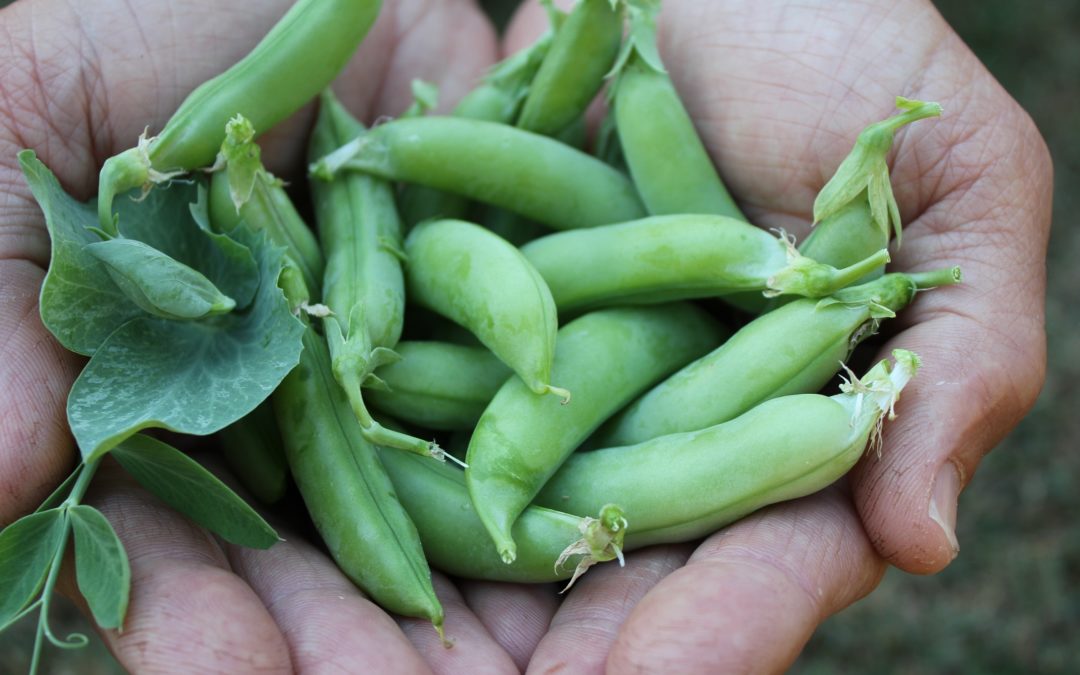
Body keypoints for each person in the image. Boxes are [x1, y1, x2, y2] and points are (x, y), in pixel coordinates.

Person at [0, 0, 1050, 671]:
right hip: (428, 297)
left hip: (637, 304)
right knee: (458, 303)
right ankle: (493, 470)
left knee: (540, 307)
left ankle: (766, 307)